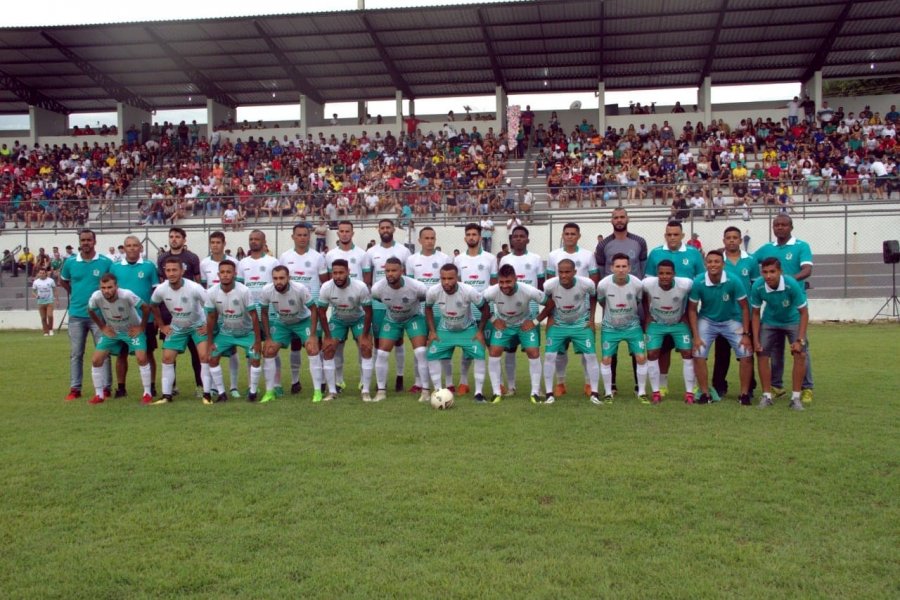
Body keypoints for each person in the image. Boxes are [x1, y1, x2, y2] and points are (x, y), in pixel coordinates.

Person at [752, 214, 814, 404]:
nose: (780, 228)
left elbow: (807, 270)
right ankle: (776, 386)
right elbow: (750, 260)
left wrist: (788, 283)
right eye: (776, 225)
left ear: (791, 227)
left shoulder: (801, 246)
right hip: (772, 312)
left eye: (784, 225)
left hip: (793, 306)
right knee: (774, 350)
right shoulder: (767, 248)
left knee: (801, 348)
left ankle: (806, 388)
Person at [687, 250, 753, 405]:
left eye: (717, 262)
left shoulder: (733, 280)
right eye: (709, 262)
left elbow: (745, 307)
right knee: (698, 352)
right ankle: (705, 394)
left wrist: (745, 333)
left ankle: (744, 394)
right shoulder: (698, 282)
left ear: (723, 264)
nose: (713, 265)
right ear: (705, 264)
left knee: (746, 353)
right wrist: (696, 336)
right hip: (707, 321)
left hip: (731, 320)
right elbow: (691, 309)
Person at [594, 208, 647, 395]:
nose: (619, 220)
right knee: (611, 345)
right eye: (616, 217)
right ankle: (612, 386)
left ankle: (637, 386)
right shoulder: (603, 245)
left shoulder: (639, 241)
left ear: (628, 218)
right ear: (611, 220)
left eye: (622, 217)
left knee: (637, 346)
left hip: (634, 299)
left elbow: (644, 268)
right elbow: (600, 272)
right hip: (612, 299)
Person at [547, 222, 601, 398]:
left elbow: (593, 286)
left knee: (587, 352)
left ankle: (588, 383)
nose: (569, 236)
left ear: (578, 236)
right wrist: (550, 317)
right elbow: (551, 289)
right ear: (562, 236)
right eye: (566, 233)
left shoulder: (587, 255)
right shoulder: (553, 255)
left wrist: (591, 318)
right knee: (560, 351)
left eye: (573, 234)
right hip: (560, 313)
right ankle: (560, 383)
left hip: (581, 313)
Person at [424, 264, 491, 403]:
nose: (446, 282)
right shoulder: (433, 291)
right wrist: (432, 331)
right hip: (445, 329)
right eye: (443, 278)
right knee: (431, 354)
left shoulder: (468, 291)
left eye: (450, 278)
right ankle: (438, 391)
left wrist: (480, 332)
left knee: (479, 353)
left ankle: (478, 393)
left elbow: (485, 308)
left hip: (467, 329)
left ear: (457, 277)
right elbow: (428, 308)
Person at [149, 257, 212, 404]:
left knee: (204, 356)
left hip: (197, 325)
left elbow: (210, 306)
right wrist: (162, 325)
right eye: (168, 270)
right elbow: (153, 305)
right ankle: (166, 396)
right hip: (177, 326)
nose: (171, 273)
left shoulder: (195, 287)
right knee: (167, 358)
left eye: (174, 270)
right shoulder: (161, 289)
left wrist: (208, 326)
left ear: (182, 271)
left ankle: (207, 395)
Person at [60, 229, 113, 401]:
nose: (86, 243)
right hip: (76, 315)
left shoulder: (105, 262)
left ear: (94, 241)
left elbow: (112, 284)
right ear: (79, 242)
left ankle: (105, 388)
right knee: (76, 353)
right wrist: (76, 294)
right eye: (83, 240)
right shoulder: (70, 262)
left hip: (100, 317)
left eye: (89, 240)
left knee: (103, 351)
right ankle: (75, 388)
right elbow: (64, 281)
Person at [751, 258, 809, 411]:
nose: (768, 276)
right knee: (761, 353)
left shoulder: (791, 284)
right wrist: (756, 339)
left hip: (792, 320)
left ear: (780, 272)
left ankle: (796, 398)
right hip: (770, 321)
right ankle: (766, 396)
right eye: (765, 272)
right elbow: (755, 314)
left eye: (772, 272)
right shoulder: (758, 286)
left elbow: (804, 313)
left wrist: (800, 339)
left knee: (800, 353)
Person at [86, 274, 153, 405]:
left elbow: (146, 308)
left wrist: (141, 327)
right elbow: (90, 310)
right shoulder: (96, 296)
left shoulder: (126, 295)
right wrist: (102, 327)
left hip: (131, 330)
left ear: (116, 286)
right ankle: (99, 395)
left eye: (110, 287)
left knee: (142, 358)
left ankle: (147, 393)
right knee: (96, 360)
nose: (106, 290)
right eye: (103, 288)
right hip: (113, 331)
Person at [540, 259, 600, 405]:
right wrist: (550, 319)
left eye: (567, 272)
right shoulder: (549, 285)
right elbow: (549, 302)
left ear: (574, 272)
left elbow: (593, 297)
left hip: (581, 324)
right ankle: (549, 394)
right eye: (561, 272)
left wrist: (591, 319)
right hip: (559, 324)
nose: (564, 275)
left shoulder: (586, 283)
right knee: (549, 355)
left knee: (591, 356)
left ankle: (595, 393)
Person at [259, 265, 323, 403]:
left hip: (302, 321)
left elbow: (314, 309)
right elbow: (263, 313)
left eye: (282, 278)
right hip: (282, 323)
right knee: (269, 350)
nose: (278, 282)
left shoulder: (299, 289)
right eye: (275, 278)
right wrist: (268, 338)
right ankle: (270, 391)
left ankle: (317, 391)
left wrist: (312, 335)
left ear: (288, 278)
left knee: (312, 348)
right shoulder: (266, 290)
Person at [484, 264, 546, 404]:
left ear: (516, 279)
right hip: (504, 326)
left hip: (524, 324)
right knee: (494, 352)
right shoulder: (491, 292)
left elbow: (549, 304)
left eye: (508, 282)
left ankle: (535, 392)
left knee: (533, 352)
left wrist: (535, 322)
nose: (504, 285)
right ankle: (496, 392)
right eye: (501, 282)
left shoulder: (528, 290)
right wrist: (493, 319)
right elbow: (480, 303)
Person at [371, 258, 431, 403]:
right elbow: (379, 299)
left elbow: (427, 300)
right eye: (387, 271)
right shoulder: (377, 289)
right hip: (392, 319)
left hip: (413, 318)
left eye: (394, 270)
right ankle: (381, 391)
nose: (390, 274)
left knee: (420, 352)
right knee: (381, 353)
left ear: (402, 271)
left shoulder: (417, 287)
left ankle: (426, 391)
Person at [280, 223, 329, 395]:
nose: (302, 238)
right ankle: (295, 381)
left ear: (310, 237)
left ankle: (322, 381)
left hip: (311, 311)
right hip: (292, 310)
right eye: (298, 235)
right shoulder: (285, 257)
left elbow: (325, 282)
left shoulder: (318, 257)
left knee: (316, 344)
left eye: (305, 235)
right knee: (295, 346)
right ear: (293, 237)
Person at [204, 260, 262, 404]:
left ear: (235, 274)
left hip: (246, 333)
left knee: (255, 358)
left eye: (228, 272)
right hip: (226, 333)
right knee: (212, 358)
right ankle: (222, 393)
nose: (225, 275)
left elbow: (254, 315)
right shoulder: (211, 292)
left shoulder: (244, 291)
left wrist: (257, 341)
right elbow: (211, 317)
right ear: (218, 274)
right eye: (222, 272)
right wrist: (210, 342)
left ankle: (253, 392)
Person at [713, 226, 759, 400]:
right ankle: (719, 385)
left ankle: (750, 386)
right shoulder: (718, 261)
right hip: (723, 315)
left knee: (746, 353)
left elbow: (755, 287)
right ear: (723, 240)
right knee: (722, 354)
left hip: (744, 315)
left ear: (740, 240)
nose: (731, 240)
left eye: (735, 237)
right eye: (728, 237)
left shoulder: (751, 260)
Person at [317, 259, 374, 402]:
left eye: (341, 273)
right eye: (335, 273)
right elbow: (322, 313)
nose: (338, 276)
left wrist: (366, 335)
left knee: (366, 347)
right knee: (328, 349)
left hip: (358, 319)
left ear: (348, 272)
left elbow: (368, 312)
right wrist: (328, 337)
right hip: (338, 319)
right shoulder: (326, 287)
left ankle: (365, 390)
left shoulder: (360, 287)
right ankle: (331, 391)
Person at [366, 219, 412, 393]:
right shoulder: (371, 252)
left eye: (388, 227)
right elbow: (369, 278)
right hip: (378, 302)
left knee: (399, 340)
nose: (385, 230)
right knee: (379, 341)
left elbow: (406, 276)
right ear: (378, 230)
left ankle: (399, 377)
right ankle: (381, 380)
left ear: (393, 229)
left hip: (398, 300)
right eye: (382, 228)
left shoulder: (404, 251)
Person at [326, 220, 373, 391]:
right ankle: (338, 381)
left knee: (363, 345)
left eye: (348, 231)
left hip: (358, 307)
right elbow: (327, 280)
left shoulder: (362, 254)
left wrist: (359, 294)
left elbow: (367, 278)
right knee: (336, 347)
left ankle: (363, 381)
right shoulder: (330, 255)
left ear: (352, 233)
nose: (344, 233)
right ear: (337, 234)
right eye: (342, 231)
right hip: (339, 309)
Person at [156, 227, 203, 396]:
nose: (174, 239)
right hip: (170, 312)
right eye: (171, 236)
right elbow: (162, 285)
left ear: (184, 239)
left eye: (177, 236)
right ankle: (172, 386)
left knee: (196, 352)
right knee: (169, 351)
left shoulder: (192, 258)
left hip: (191, 312)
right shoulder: (162, 258)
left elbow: (198, 281)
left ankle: (200, 385)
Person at [406, 226, 454, 390]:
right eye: (426, 238)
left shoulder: (444, 258)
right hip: (419, 309)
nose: (429, 241)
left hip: (440, 308)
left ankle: (449, 383)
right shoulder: (412, 260)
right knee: (419, 346)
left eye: (432, 238)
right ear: (419, 240)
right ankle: (419, 382)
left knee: (443, 345)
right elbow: (410, 285)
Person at [498, 225, 544, 396]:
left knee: (533, 350)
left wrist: (537, 312)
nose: (518, 238)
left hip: (529, 308)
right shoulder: (504, 259)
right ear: (511, 240)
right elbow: (500, 285)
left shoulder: (536, 258)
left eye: (521, 236)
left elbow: (540, 285)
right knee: (509, 350)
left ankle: (536, 388)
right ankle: (511, 387)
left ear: (527, 239)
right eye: (515, 236)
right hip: (508, 307)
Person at [111, 235, 159, 399]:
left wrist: (155, 317)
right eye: (128, 246)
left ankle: (151, 386)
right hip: (121, 321)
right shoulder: (115, 267)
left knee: (148, 354)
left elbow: (155, 294)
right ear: (123, 249)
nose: (132, 248)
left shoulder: (149, 266)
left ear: (141, 248)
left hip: (146, 319)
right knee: (121, 354)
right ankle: (121, 387)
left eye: (135, 245)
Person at [596, 253, 649, 403]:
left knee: (641, 357)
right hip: (610, 327)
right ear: (612, 268)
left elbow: (638, 301)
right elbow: (602, 302)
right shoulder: (603, 284)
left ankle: (642, 392)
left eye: (624, 266)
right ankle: (608, 393)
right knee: (606, 359)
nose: (621, 269)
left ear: (629, 268)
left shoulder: (638, 284)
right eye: (617, 266)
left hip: (632, 326)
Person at [453, 223, 498, 394]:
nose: (471, 237)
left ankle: (497, 383)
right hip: (466, 309)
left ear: (480, 237)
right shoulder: (458, 260)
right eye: (468, 234)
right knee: (468, 348)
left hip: (485, 307)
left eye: (474, 234)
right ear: (465, 237)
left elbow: (494, 284)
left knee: (492, 347)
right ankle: (464, 382)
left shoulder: (490, 258)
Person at [642, 260, 695, 404]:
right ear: (657, 274)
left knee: (688, 353)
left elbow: (693, 297)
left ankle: (690, 393)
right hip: (657, 324)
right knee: (652, 353)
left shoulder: (685, 284)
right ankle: (656, 392)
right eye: (661, 273)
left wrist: (686, 315)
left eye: (668, 273)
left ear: (674, 274)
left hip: (678, 323)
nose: (664, 276)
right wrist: (647, 316)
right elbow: (642, 298)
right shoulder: (647, 284)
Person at [237, 230, 282, 394]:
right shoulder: (242, 263)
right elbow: (240, 288)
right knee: (252, 351)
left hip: (269, 313)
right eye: (251, 239)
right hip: (249, 315)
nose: (253, 241)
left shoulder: (273, 261)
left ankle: (276, 385)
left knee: (272, 350)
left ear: (264, 241)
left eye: (257, 239)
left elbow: (278, 287)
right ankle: (252, 385)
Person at [199, 231, 241, 397]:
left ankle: (234, 386)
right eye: (212, 242)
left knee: (232, 349)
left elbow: (238, 287)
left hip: (230, 311)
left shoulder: (234, 262)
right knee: (212, 348)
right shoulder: (204, 264)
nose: (215, 245)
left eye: (218, 242)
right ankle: (216, 386)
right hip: (212, 311)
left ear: (224, 244)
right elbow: (203, 288)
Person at [32, 266, 57, 336]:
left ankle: (50, 329)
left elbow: (55, 289)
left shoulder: (51, 280)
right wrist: (36, 296)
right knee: (43, 317)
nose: (42, 274)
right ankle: (45, 331)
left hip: (49, 301)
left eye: (43, 273)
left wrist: (56, 299)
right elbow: (33, 291)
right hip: (41, 301)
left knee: (50, 315)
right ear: (38, 274)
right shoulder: (36, 282)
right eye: (40, 273)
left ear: (46, 274)